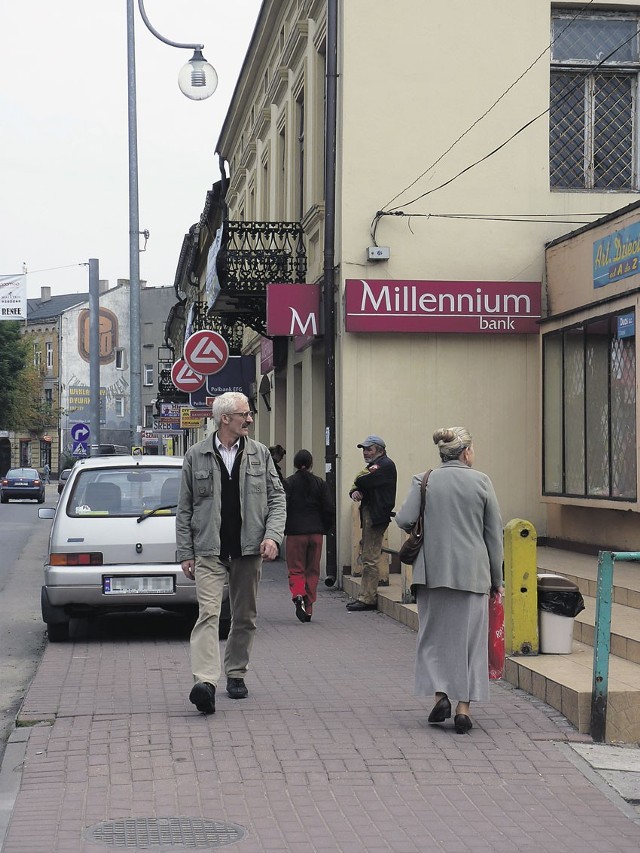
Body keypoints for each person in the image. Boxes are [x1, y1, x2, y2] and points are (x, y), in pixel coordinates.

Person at [176, 392, 287, 715]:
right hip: (209, 550)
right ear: (225, 419)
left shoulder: (260, 454)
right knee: (208, 614)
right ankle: (205, 682)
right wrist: (186, 551)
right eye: (244, 414)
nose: (250, 419)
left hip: (249, 549)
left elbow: (277, 499)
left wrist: (273, 537)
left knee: (244, 616)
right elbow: (184, 509)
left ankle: (236, 673)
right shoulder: (196, 455)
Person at [395, 427, 504, 735]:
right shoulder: (482, 482)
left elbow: (404, 519)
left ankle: (440, 695)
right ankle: (463, 708)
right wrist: (497, 579)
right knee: (469, 643)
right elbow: (493, 536)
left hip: (432, 573)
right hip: (472, 575)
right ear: (466, 452)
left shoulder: (424, 480)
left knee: (434, 638)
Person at [346, 435, 397, 611]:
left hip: (376, 516)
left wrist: (358, 483)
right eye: (364, 450)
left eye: (369, 449)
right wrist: (355, 490)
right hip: (371, 514)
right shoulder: (375, 467)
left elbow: (362, 480)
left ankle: (367, 598)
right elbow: (360, 483)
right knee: (369, 556)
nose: (365, 453)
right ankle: (365, 595)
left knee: (370, 558)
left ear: (380, 450)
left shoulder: (384, 465)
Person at [284, 449, 335, 622]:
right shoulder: (320, 483)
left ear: (295, 464)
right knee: (312, 571)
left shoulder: (288, 483)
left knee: (296, 568)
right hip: (316, 533)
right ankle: (309, 607)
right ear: (311, 463)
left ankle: (298, 593)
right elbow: (329, 508)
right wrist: (325, 528)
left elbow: (282, 507)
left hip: (295, 533)